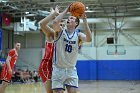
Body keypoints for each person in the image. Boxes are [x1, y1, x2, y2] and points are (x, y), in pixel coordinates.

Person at [50, 5, 92, 93]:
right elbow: (55, 22)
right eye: (68, 18)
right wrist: (66, 10)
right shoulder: (60, 31)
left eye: (72, 18)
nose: (69, 19)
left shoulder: (78, 35)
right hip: (58, 69)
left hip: (71, 69)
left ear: (76, 23)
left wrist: (85, 21)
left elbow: (89, 39)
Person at [39, 6, 60, 93]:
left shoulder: (64, 39)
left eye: (62, 25)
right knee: (50, 91)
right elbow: (42, 24)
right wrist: (53, 15)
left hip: (57, 67)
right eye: (59, 24)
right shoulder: (51, 35)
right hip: (46, 66)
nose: (60, 26)